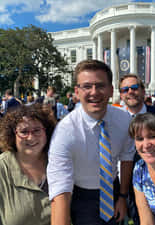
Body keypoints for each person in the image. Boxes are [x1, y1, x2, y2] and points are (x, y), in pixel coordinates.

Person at [47, 59, 135, 225]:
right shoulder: (65, 131)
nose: (94, 92)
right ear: (77, 92)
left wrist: (123, 197)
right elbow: (60, 187)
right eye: (87, 86)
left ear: (111, 90)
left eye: (100, 85)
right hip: (82, 196)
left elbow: (127, 157)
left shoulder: (124, 120)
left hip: (114, 190)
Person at [0, 104, 57, 225]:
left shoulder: (61, 164)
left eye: (37, 130)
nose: (31, 137)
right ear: (12, 136)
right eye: (24, 132)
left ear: (47, 131)